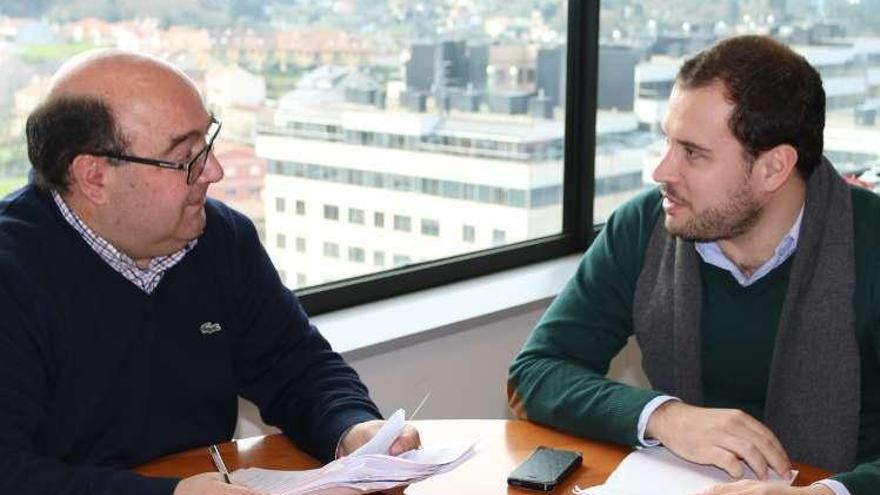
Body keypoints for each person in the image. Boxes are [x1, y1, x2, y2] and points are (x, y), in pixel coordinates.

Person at [0, 49, 419, 495]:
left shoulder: (222, 238)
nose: (214, 171)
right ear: (94, 177)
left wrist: (351, 428)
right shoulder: (13, 272)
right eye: (185, 158)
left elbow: (296, 366)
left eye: (208, 143)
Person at [507, 35, 880, 495]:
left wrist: (825, 494)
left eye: (693, 153)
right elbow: (537, 371)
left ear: (774, 168)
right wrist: (665, 416)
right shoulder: (645, 226)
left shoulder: (870, 245)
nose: (662, 171)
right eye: (668, 142)